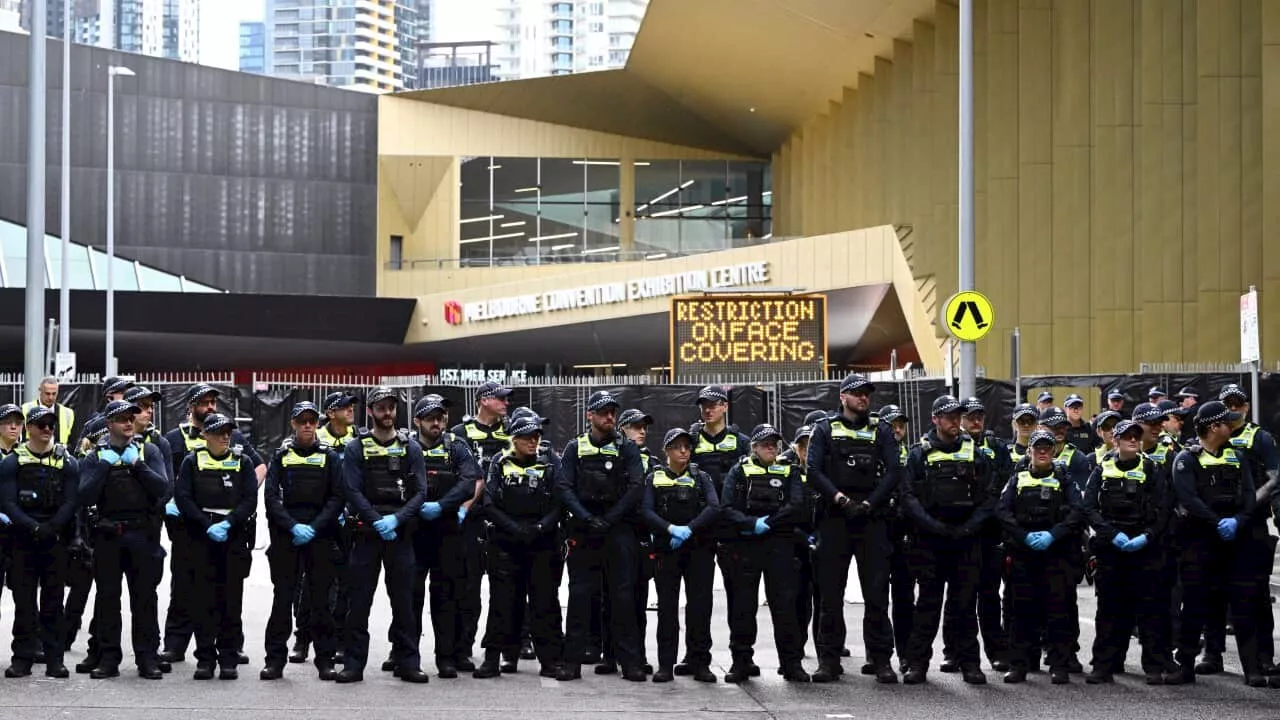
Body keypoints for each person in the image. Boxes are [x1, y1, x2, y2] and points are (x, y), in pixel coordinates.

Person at [804, 374, 900, 684]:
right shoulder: (825, 429)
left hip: (871, 519)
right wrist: (841, 499)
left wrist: (870, 504)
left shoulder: (881, 430)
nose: (864, 399)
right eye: (857, 394)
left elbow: (894, 471)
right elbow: (813, 470)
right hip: (835, 517)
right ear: (843, 396)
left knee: (876, 594)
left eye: (867, 394)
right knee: (830, 595)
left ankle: (881, 659)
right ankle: (828, 661)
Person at [161, 384, 263, 668]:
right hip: (190, 525)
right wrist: (172, 503)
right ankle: (176, 644)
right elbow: (167, 477)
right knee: (184, 585)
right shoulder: (174, 439)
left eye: (212, 403)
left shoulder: (235, 437)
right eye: (203, 402)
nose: (210, 407)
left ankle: (232, 646)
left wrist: (245, 493)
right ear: (190, 406)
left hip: (230, 527)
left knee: (229, 590)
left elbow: (259, 466)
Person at [900, 395, 995, 685]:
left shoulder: (975, 453)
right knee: (928, 605)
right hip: (930, 541)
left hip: (966, 540)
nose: (956, 421)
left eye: (959, 416)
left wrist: (969, 527)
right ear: (935, 420)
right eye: (950, 416)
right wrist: (933, 526)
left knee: (964, 606)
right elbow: (908, 497)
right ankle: (917, 664)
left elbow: (990, 495)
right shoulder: (919, 454)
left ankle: (970, 665)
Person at [1171, 401, 1267, 687]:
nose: (1232, 425)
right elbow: (1188, 498)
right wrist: (1217, 522)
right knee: (1196, 604)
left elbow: (1250, 495)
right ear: (1214, 427)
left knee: (1243, 603)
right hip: (1199, 542)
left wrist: (1237, 520)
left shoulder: (1237, 456)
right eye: (1228, 422)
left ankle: (1252, 669)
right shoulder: (1186, 459)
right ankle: (1185, 666)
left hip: (1236, 541)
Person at [337, 387, 428, 684]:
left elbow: (420, 493)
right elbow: (351, 490)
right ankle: (353, 664)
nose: (387, 413)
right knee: (358, 602)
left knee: (404, 602)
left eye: (391, 407)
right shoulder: (356, 447)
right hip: (366, 533)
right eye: (381, 408)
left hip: (400, 535)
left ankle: (408, 662)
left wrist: (396, 520)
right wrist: (377, 520)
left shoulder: (410, 447)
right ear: (371, 411)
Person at [555, 390, 647, 682]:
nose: (610, 417)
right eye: (603, 412)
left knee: (622, 596)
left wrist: (610, 519)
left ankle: (629, 663)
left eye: (613, 412)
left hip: (617, 528)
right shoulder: (574, 448)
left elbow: (636, 486)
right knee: (580, 596)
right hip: (584, 530)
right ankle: (571, 663)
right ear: (589, 415)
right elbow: (564, 487)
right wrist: (586, 518)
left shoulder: (627, 448)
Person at [77, 400, 170, 679]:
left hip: (142, 534)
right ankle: (108, 658)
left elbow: (161, 488)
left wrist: (137, 464)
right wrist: (105, 467)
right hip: (108, 536)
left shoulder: (148, 451)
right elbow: (84, 496)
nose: (129, 423)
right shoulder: (95, 457)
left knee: (144, 599)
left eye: (131, 418)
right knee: (107, 599)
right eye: (121, 419)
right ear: (109, 424)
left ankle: (147, 658)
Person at [1081, 420, 1177, 685]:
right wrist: (1112, 535)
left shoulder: (1151, 469)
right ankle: (1104, 666)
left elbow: (1163, 509)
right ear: (1115, 441)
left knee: (1150, 609)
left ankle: (1154, 667)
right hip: (1112, 550)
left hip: (1145, 549)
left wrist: (1146, 537)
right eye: (1127, 437)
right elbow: (1089, 507)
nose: (1133, 440)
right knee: (1110, 610)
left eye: (1136, 436)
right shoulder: (1102, 469)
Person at [475, 415, 564, 679]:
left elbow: (561, 501)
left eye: (536, 436)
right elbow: (488, 502)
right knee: (502, 603)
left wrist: (540, 528)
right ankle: (495, 658)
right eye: (527, 436)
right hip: (506, 541)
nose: (533, 441)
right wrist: (513, 528)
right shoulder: (498, 462)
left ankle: (550, 662)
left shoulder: (550, 462)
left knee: (545, 603)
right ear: (514, 438)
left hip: (542, 541)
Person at [261, 402, 344, 681]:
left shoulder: (330, 457)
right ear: (293, 424)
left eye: (312, 421)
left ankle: (325, 660)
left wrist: (315, 527)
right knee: (282, 600)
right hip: (288, 537)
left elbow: (337, 497)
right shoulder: (281, 455)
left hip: (320, 536)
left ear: (317, 424)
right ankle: (274, 661)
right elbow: (270, 496)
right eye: (302, 421)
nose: (307, 425)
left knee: (321, 603)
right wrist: (293, 526)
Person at [720, 424, 810, 683]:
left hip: (780, 545)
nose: (771, 447)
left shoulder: (789, 470)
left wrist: (769, 522)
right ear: (754, 447)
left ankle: (791, 663)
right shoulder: (739, 471)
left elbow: (796, 505)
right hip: (747, 545)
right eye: (766, 443)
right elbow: (727, 507)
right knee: (743, 606)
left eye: (775, 443)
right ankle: (741, 661)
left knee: (785, 606)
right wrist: (751, 524)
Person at [996, 430, 1084, 685]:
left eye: (1047, 447)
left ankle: (1059, 665)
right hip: (1024, 554)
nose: (1043, 451)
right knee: (1022, 612)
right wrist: (1023, 536)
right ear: (1029, 451)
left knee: (1058, 612)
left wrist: (1053, 535)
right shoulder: (1017, 478)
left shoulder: (1065, 479)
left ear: (1054, 451)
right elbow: (1002, 511)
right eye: (1037, 448)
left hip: (1056, 554)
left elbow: (1078, 511)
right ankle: (1019, 665)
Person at [0, 405, 80, 678]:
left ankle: (54, 659)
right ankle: (22, 658)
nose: (47, 430)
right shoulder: (13, 462)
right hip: (23, 540)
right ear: (30, 429)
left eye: (51, 425)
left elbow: (71, 501)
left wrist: (53, 527)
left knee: (53, 603)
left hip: (54, 540)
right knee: (24, 602)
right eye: (41, 425)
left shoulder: (66, 461)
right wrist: (33, 526)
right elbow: (8, 502)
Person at [409, 394, 482, 679]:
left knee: (447, 596)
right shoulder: (407, 446)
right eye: (430, 418)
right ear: (417, 421)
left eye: (440, 417)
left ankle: (446, 657)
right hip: (413, 530)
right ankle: (407, 656)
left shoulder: (457, 446)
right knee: (409, 596)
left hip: (447, 530)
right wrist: (417, 506)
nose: (437, 422)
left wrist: (442, 505)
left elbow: (469, 481)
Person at [641, 428, 719, 684]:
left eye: (687, 446)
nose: (683, 451)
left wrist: (690, 529)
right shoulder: (655, 477)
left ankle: (700, 663)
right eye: (677, 446)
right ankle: (666, 664)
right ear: (667, 450)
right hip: (668, 550)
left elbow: (713, 507)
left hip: (698, 550)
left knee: (700, 607)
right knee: (667, 609)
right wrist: (670, 529)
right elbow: (646, 510)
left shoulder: (701, 476)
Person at [449, 380, 513, 671]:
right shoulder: (459, 434)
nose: (505, 403)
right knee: (466, 587)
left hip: (503, 519)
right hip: (470, 520)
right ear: (484, 400)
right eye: (500, 398)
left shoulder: (512, 433)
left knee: (507, 588)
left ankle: (507, 645)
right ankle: (461, 648)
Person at [944, 397, 1011, 673]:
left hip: (990, 531)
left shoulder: (996, 447)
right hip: (960, 532)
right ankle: (953, 653)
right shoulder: (952, 445)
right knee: (958, 596)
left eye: (979, 416)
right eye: (970, 416)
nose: (975, 421)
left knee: (989, 595)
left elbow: (1006, 484)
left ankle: (996, 652)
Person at [688, 385, 751, 676]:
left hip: (731, 531)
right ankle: (697, 658)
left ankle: (742, 659)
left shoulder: (742, 442)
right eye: (703, 404)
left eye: (713, 404)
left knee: (740, 597)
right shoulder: (688, 441)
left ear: (725, 406)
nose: (707, 409)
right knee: (699, 598)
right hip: (699, 530)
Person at [611, 407, 658, 676]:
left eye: (644, 427)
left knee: (640, 598)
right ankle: (612, 654)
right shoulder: (616, 457)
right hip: (619, 531)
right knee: (617, 596)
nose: (642, 431)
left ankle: (637, 654)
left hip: (645, 534)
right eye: (635, 426)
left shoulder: (654, 463)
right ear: (622, 429)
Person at [21, 377, 74, 447]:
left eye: (54, 394)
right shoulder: (25, 409)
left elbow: (73, 441)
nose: (51, 397)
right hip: (31, 454)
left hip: (58, 456)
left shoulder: (68, 413)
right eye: (47, 393)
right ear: (40, 390)